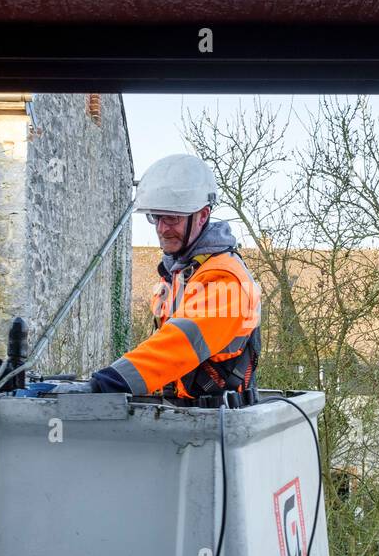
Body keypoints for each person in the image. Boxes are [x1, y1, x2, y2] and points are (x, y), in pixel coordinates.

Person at [53, 154, 261, 402]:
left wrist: (109, 383)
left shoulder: (225, 280)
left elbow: (178, 345)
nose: (162, 229)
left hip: (219, 422)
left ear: (203, 216)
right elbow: (160, 351)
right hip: (183, 412)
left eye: (172, 217)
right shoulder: (180, 274)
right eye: (156, 217)